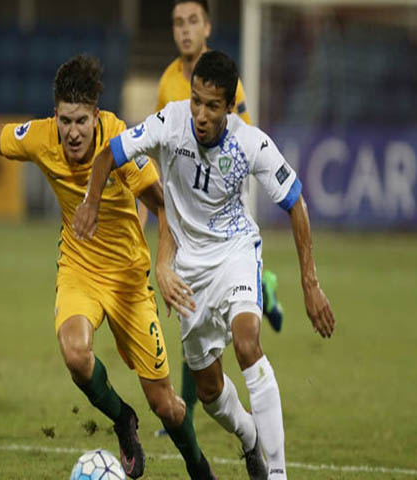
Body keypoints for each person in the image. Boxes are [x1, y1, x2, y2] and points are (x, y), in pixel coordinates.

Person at [0, 55, 218, 480]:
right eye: (64, 120)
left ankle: (199, 467)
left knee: (167, 406)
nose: (72, 132)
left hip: (130, 280)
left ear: (96, 115)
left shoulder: (121, 141)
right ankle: (121, 419)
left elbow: (165, 209)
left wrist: (165, 267)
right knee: (76, 355)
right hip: (79, 268)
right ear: (53, 116)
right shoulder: (42, 138)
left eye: (81, 120)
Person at [73, 50, 336, 480]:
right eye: (196, 100)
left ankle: (279, 474)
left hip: (234, 253)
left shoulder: (250, 142)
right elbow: (107, 156)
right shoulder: (170, 122)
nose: (199, 113)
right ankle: (250, 439)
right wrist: (91, 202)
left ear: (229, 108)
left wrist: (310, 283)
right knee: (210, 391)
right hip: (188, 270)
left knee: (248, 341)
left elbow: (296, 204)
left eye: (211, 106)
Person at [144, 0, 284, 437]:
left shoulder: (222, 79)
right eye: (178, 23)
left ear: (207, 27)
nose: (184, 31)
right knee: (190, 301)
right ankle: (265, 290)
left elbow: (240, 135)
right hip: (185, 203)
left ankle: (264, 287)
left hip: (224, 201)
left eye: (192, 22)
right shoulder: (168, 82)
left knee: (218, 292)